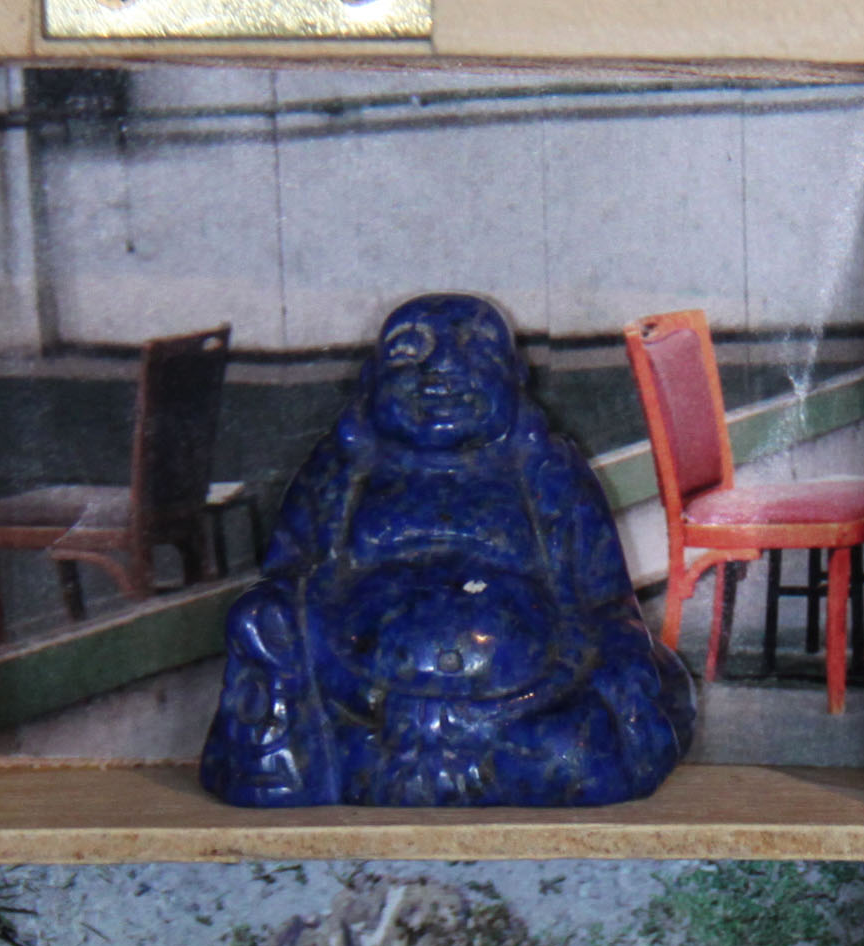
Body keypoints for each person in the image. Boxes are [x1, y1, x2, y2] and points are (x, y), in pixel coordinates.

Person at [202, 292, 695, 808]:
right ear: (371, 379)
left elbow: (604, 599)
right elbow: (291, 577)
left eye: (474, 350)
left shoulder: (548, 473)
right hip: (361, 702)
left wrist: (600, 666)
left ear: (514, 378)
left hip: (524, 703)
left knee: (582, 758)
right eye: (408, 351)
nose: (441, 369)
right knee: (265, 646)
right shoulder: (341, 472)